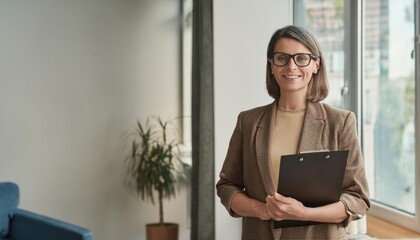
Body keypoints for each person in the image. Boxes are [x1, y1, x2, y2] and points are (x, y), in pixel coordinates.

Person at [216, 25, 370, 240]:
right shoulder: (248, 121)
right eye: (282, 58)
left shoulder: (341, 122)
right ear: (271, 65)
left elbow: (357, 199)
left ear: (316, 65)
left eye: (301, 58)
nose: (291, 66)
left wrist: (304, 213)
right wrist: (262, 210)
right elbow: (227, 186)